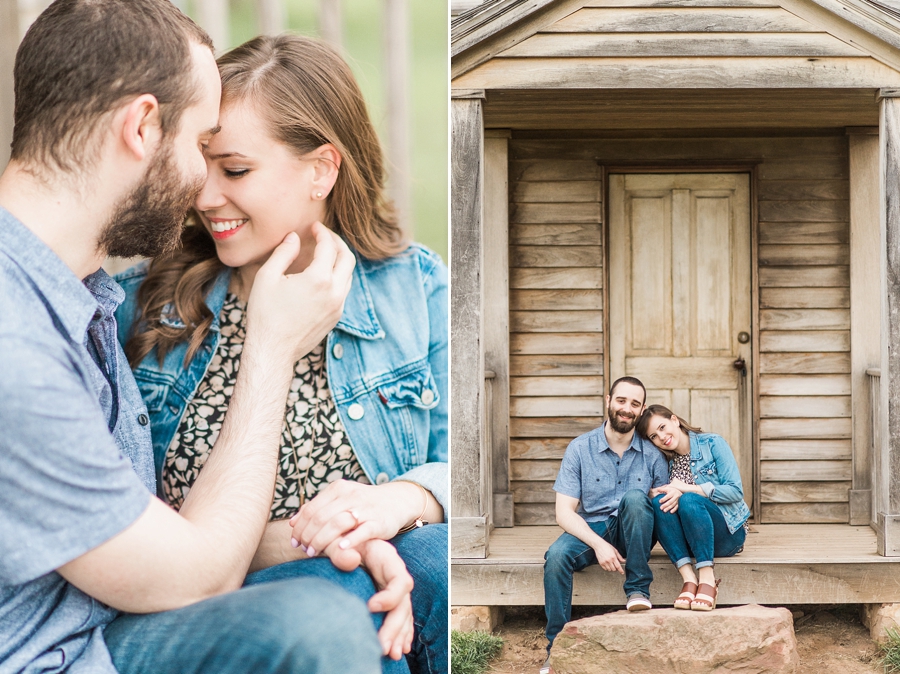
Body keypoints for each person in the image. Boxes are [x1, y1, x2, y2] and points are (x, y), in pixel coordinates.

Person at [0, 2, 413, 673]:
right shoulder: (18, 341)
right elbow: (192, 572)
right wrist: (272, 348)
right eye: (200, 147)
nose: (202, 187)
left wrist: (359, 526)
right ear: (141, 127)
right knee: (315, 628)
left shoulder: (71, 296)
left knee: (403, 570)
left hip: (102, 628)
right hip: (61, 656)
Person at [114, 34, 448, 674]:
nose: (205, 196)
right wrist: (336, 545)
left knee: (431, 556)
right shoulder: (142, 309)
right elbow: (133, 536)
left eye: (235, 170)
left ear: (323, 168)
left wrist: (397, 503)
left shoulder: (414, 286)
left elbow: (464, 464)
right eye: (201, 163)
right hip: (238, 607)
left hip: (392, 576)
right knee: (354, 591)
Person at [541, 376, 668, 673]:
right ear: (608, 400)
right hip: (592, 529)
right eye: (621, 400)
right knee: (556, 557)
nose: (627, 409)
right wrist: (599, 544)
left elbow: (661, 508)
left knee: (637, 499)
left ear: (642, 409)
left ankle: (637, 590)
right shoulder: (580, 448)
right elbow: (564, 512)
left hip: (634, 529)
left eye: (635, 404)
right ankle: (555, 647)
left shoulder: (653, 454)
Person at [636, 404, 750, 612]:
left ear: (674, 420)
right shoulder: (666, 462)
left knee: (689, 500)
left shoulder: (712, 443)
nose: (661, 437)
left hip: (728, 534)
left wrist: (689, 489)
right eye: (653, 436)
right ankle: (689, 579)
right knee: (658, 503)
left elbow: (735, 492)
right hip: (692, 540)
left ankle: (707, 579)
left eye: (662, 427)